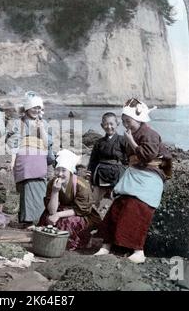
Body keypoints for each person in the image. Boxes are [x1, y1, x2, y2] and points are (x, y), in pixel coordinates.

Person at [94, 98, 172, 263]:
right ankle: (107, 245)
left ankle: (138, 250)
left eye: (127, 121)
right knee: (117, 206)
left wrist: (130, 141)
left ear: (139, 119)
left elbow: (148, 156)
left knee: (136, 209)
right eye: (123, 122)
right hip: (135, 175)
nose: (125, 125)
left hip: (150, 178)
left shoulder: (150, 134)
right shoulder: (134, 133)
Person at [39, 149, 101, 251]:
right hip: (58, 209)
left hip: (80, 213)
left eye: (64, 170)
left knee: (67, 221)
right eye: (57, 170)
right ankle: (50, 243)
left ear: (70, 171)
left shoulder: (81, 185)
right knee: (48, 219)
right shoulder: (52, 183)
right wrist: (55, 191)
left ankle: (72, 243)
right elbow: (52, 210)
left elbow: (82, 209)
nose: (59, 174)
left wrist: (58, 215)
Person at [7, 91, 53, 225]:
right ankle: (25, 220)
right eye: (34, 107)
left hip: (38, 161)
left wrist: (42, 129)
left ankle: (37, 220)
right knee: (23, 189)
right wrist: (12, 161)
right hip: (23, 161)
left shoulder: (44, 123)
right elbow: (13, 143)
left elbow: (47, 144)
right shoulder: (17, 123)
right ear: (27, 108)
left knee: (38, 190)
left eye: (39, 108)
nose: (37, 110)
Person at [87, 112, 127, 217]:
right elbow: (93, 160)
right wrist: (90, 175)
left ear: (117, 124)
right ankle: (92, 219)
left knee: (116, 200)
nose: (109, 127)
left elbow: (128, 160)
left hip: (117, 174)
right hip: (100, 173)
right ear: (102, 125)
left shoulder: (122, 140)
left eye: (111, 124)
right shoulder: (99, 142)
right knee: (94, 200)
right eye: (106, 124)